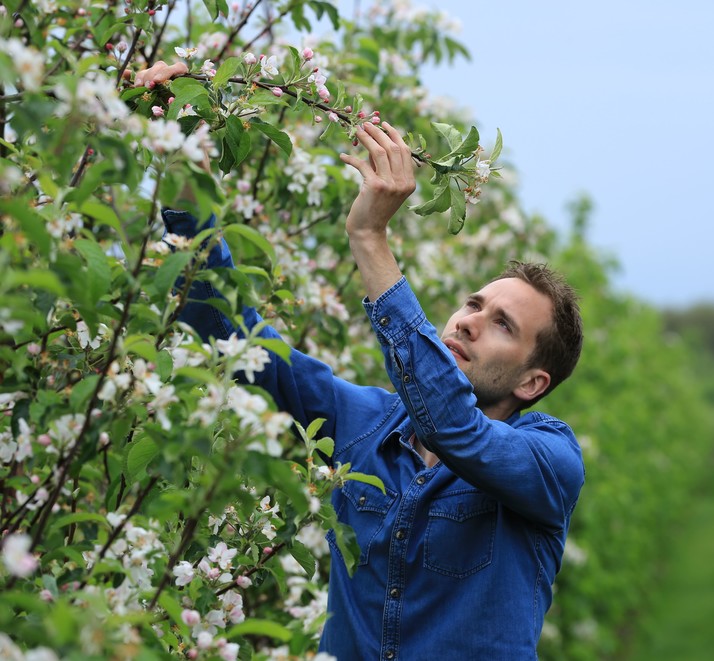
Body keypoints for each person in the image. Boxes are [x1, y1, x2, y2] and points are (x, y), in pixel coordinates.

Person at [137, 62, 585, 660]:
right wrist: (177, 146)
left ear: (533, 381)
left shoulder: (549, 461)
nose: (469, 320)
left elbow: (452, 425)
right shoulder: (364, 423)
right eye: (474, 303)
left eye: (502, 324)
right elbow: (228, 329)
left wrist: (370, 239)